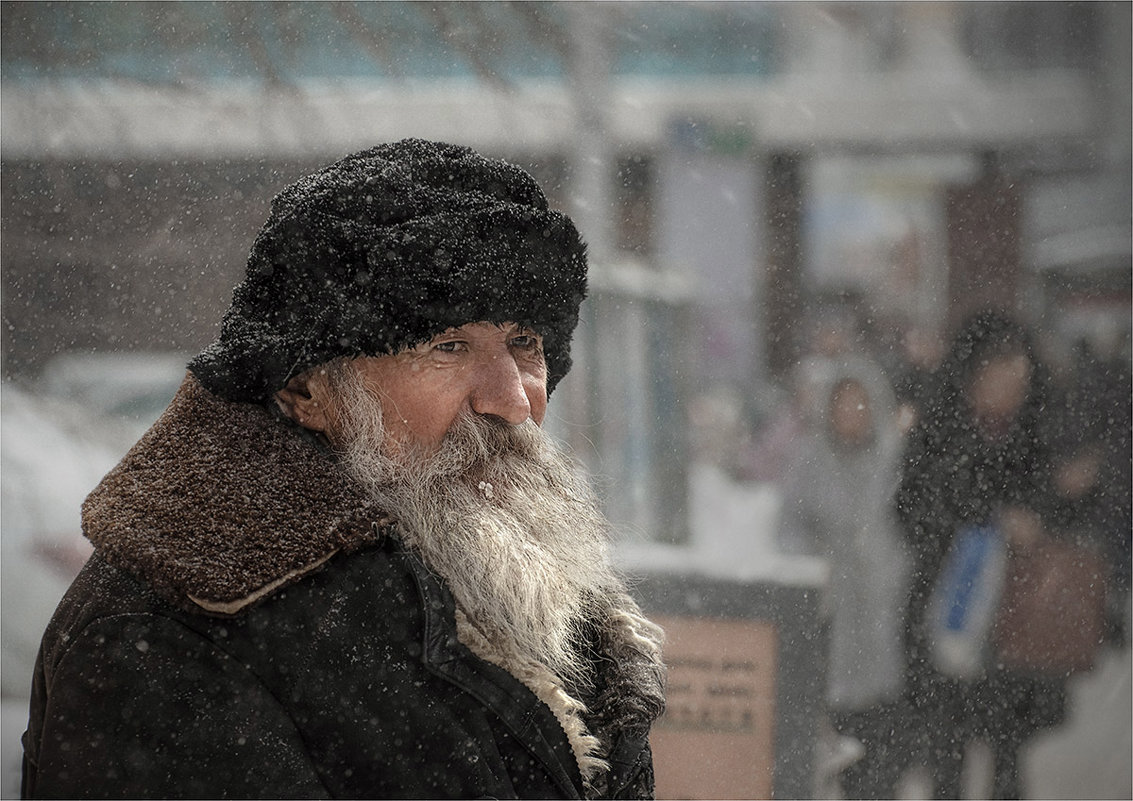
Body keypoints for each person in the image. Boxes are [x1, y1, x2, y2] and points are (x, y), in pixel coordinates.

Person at [20, 139, 667, 800]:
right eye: (447, 345)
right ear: (307, 389)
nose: (512, 399)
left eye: (524, 342)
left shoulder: (521, 589)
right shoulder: (171, 633)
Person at [895, 311, 1059, 799]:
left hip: (1014, 620)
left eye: (1021, 376)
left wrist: (1042, 515)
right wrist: (984, 517)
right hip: (947, 613)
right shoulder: (938, 428)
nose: (1015, 385)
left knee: (1009, 758)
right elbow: (909, 510)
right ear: (975, 376)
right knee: (948, 756)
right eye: (1004, 373)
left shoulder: (1033, 433)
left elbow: (1057, 508)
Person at [778, 356, 911, 799]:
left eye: (860, 405)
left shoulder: (895, 462)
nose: (851, 415)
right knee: (835, 747)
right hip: (831, 620)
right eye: (843, 405)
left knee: (884, 747)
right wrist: (818, 566)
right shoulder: (809, 461)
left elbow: (912, 530)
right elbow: (789, 527)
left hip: (883, 617)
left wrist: (886, 563)